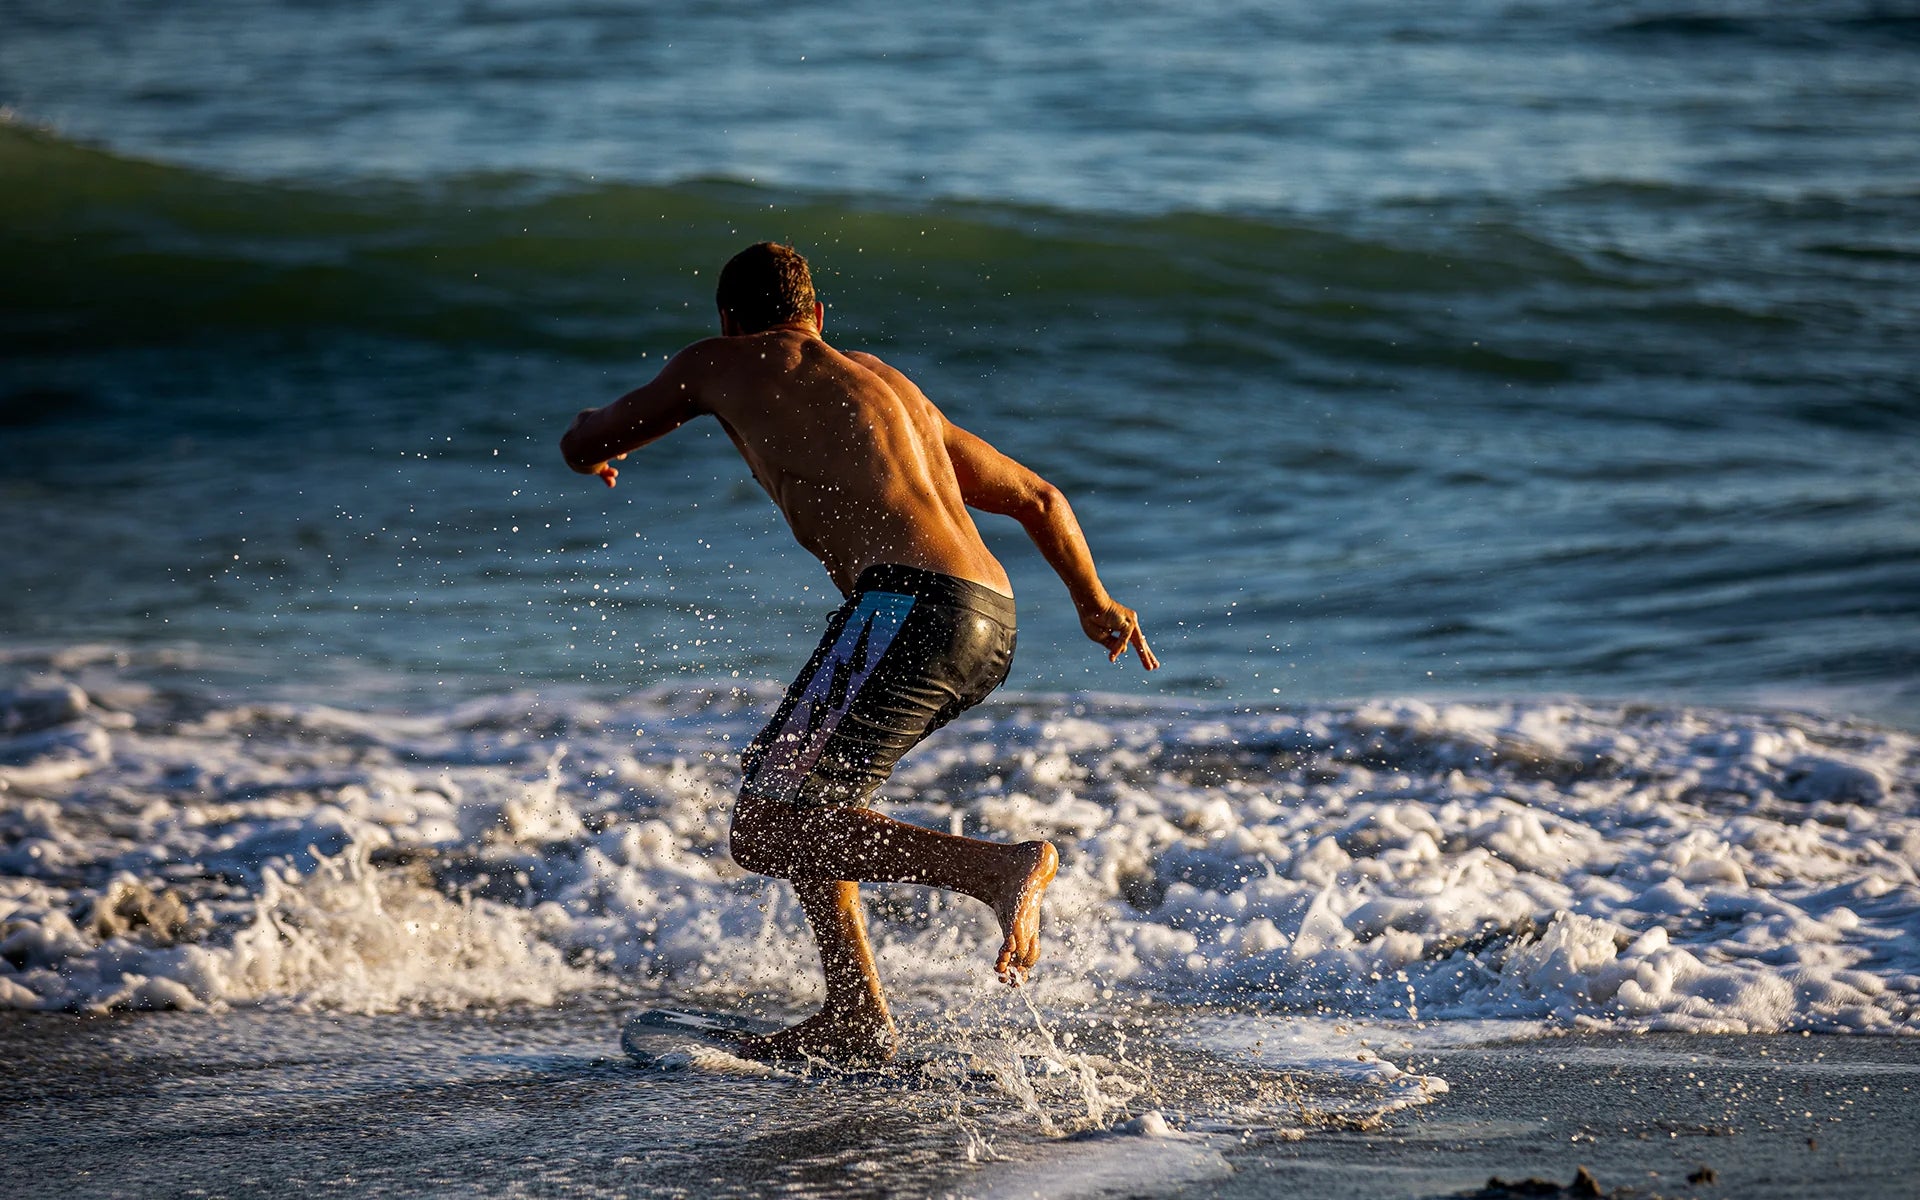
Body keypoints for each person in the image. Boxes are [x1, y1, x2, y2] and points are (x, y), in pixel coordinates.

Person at [561, 242, 1158, 1063]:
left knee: (763, 829)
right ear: (816, 316)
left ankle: (996, 871)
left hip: (907, 607)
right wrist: (1095, 603)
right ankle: (856, 1017)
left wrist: (592, 446)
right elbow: (1039, 497)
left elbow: (591, 435)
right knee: (804, 796)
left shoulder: (720, 361)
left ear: (731, 321)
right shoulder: (887, 386)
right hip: (988, 619)